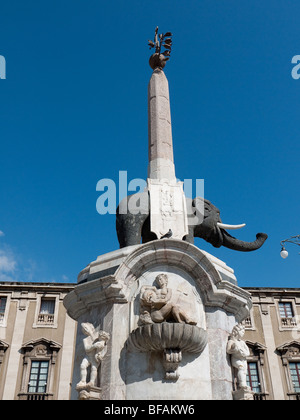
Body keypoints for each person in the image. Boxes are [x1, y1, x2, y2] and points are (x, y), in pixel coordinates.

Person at [76, 322, 110, 389]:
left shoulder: (97, 334)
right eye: (83, 329)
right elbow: (86, 349)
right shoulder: (85, 339)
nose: (85, 330)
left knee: (94, 368)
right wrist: (94, 346)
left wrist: (101, 345)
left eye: (86, 328)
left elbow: (104, 340)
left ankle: (92, 382)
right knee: (82, 365)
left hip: (95, 355)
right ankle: (83, 381)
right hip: (88, 356)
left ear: (91, 327)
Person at [226, 323, 250, 390]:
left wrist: (243, 353)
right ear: (237, 332)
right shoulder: (232, 341)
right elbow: (228, 350)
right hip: (236, 359)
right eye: (242, 331)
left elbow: (248, 352)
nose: (243, 333)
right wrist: (234, 349)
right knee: (241, 367)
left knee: (244, 372)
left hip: (243, 359)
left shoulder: (242, 342)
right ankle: (242, 384)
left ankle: (244, 383)